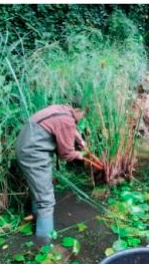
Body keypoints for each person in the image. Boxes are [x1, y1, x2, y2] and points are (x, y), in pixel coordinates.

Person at [15, 101, 93, 244]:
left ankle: (36, 219)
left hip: (24, 148)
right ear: (78, 109)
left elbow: (67, 126)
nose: (82, 117)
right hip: (33, 153)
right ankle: (45, 246)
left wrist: (79, 139)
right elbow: (66, 155)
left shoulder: (61, 109)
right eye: (83, 114)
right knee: (46, 200)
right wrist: (81, 156)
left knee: (39, 189)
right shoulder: (67, 120)